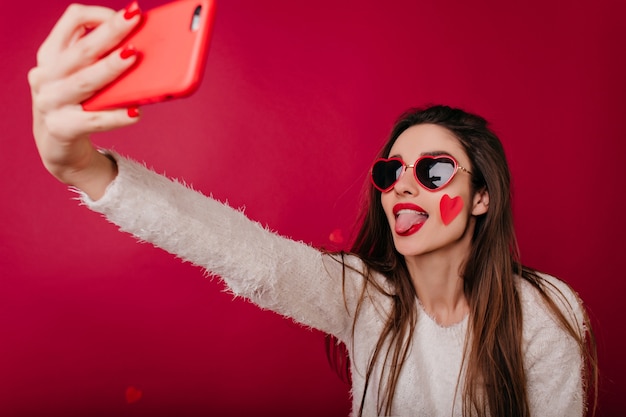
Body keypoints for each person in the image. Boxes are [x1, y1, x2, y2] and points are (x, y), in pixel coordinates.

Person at [28, 3, 597, 417]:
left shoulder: (546, 311)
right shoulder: (363, 296)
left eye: (434, 171)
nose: (402, 187)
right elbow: (248, 255)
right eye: (390, 172)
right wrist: (85, 169)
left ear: (482, 197)